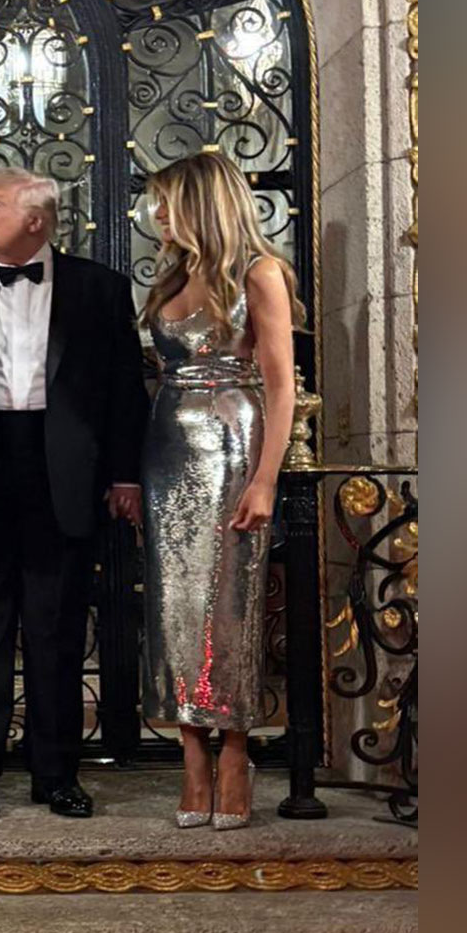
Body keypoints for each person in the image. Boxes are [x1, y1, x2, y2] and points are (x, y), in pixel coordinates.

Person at [0, 167, 148, 820]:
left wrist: (124, 474)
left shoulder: (101, 290)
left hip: (66, 475)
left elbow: (127, 392)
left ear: (36, 219)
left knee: (57, 634)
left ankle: (56, 774)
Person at [139, 152, 301, 830]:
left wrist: (265, 477)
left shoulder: (260, 273)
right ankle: (191, 757)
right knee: (174, 608)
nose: (158, 216)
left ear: (203, 204)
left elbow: (282, 383)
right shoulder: (169, 276)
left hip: (232, 443)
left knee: (228, 605)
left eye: (169, 202)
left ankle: (235, 751)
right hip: (167, 451)